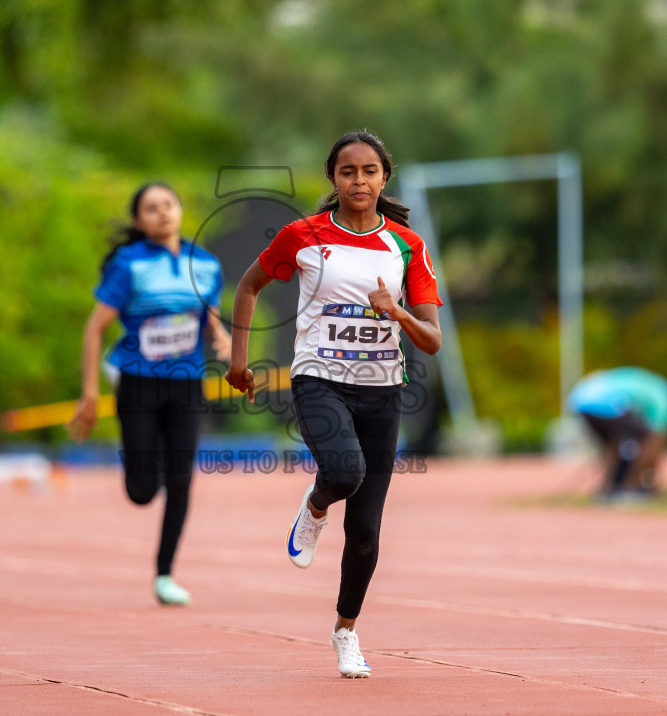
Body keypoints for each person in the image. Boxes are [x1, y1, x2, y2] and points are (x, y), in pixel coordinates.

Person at [227, 131, 442, 678]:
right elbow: (249, 287)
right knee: (344, 473)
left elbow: (432, 339)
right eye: (348, 172)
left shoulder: (407, 246)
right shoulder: (304, 236)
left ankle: (345, 630)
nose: (360, 181)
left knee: (367, 532)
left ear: (384, 177)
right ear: (333, 179)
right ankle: (317, 503)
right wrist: (238, 361)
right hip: (318, 378)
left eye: (370, 171)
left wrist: (395, 311)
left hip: (382, 389)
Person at [68, 183, 229, 607]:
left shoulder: (206, 264)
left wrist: (222, 337)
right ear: (139, 221)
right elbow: (94, 327)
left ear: (180, 210)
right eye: (151, 209)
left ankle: (164, 574)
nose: (162, 213)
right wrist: (88, 395)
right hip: (138, 381)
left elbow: (206, 314)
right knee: (142, 492)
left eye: (168, 205)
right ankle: (145, 458)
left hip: (187, 383)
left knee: (181, 480)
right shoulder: (129, 264)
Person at [567, 367, 667, 500]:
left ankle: (608, 489)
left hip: (579, 401)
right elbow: (656, 439)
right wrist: (654, 480)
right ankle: (630, 487)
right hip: (600, 402)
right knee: (646, 439)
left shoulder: (650, 385)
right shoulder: (664, 398)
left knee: (613, 443)